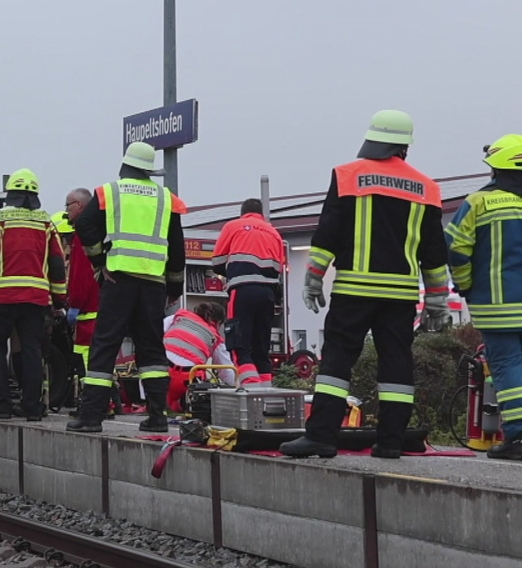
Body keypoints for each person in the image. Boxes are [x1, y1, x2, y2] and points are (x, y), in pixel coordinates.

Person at [281, 110, 449, 459]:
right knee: (396, 364)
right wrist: (437, 299)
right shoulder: (428, 189)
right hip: (400, 295)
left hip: (354, 289)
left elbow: (328, 231)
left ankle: (322, 437)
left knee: (338, 362)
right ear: (405, 147)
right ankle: (390, 443)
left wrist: (314, 277)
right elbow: (434, 252)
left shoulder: (348, 176)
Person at [66, 141, 187, 434]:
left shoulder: (110, 192)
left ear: (125, 165)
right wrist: (175, 286)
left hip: (118, 279)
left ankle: (92, 416)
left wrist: (99, 260)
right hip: (153, 283)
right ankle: (157, 416)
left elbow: (85, 226)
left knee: (105, 344)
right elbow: (177, 248)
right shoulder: (166, 198)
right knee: (152, 349)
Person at [0, 168, 67, 421]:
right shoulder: (46, 222)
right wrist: (59, 302)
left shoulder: (1, 220)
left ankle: (1, 407)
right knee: (32, 350)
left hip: (2, 298)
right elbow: (57, 263)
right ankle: (32, 408)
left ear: (10, 194)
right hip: (36, 300)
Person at [445, 135, 522, 460]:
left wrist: (464, 286)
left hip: (497, 306)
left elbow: (456, 249)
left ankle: (518, 438)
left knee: (507, 367)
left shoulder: (478, 202)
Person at [211, 198, 287, 387]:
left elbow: (217, 262)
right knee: (261, 349)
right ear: (262, 214)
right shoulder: (273, 232)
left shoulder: (233, 226)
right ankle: (266, 393)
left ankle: (251, 390)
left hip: (243, 290)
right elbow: (279, 266)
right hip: (268, 294)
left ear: (242, 213)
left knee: (239, 345)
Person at [62, 187, 102, 416]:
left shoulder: (82, 236)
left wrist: (74, 303)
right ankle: (106, 402)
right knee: (94, 361)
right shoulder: (94, 232)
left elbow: (81, 276)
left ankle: (91, 406)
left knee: (86, 363)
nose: (66, 210)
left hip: (88, 313)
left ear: (79, 205)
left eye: (68, 205)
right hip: (94, 310)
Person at [163, 302, 232, 413]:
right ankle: (184, 405)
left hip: (163, 373)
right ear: (218, 323)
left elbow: (154, 334)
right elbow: (228, 373)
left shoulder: (179, 316)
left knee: (150, 361)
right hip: (187, 380)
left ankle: (150, 402)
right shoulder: (215, 337)